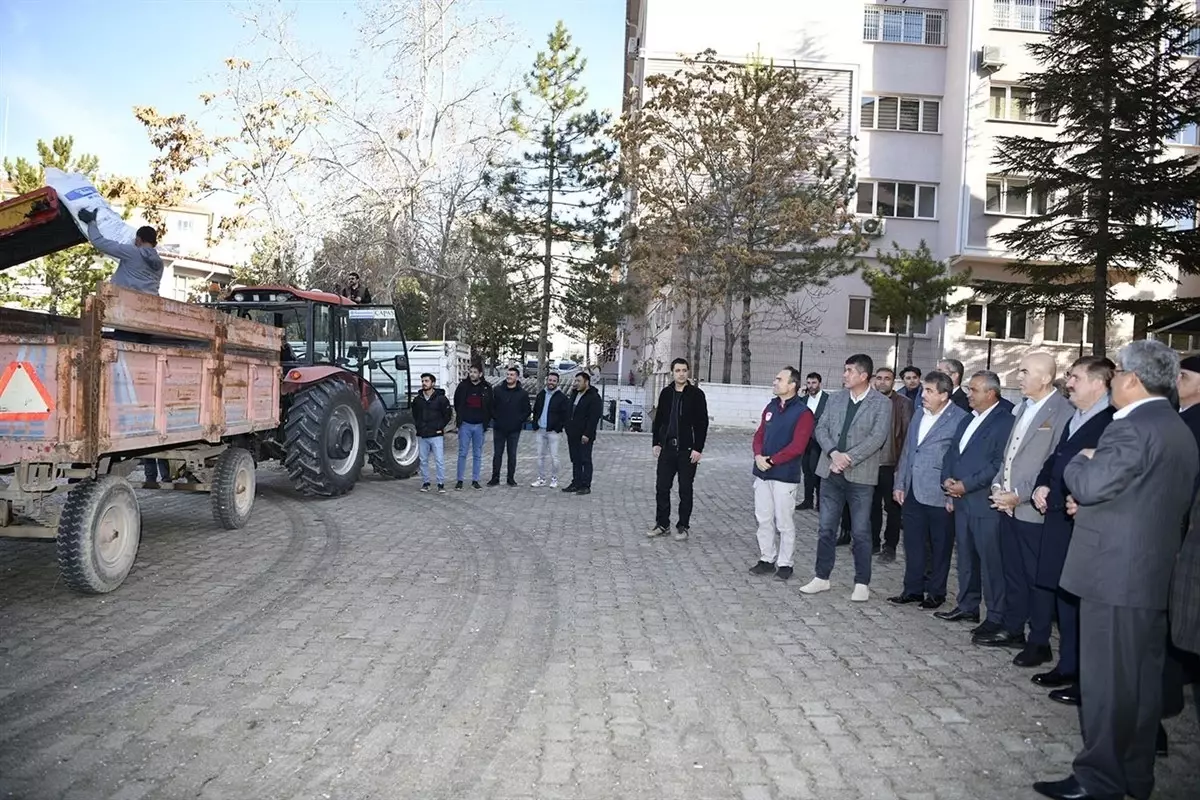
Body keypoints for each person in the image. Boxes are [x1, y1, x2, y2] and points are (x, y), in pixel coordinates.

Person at [1033, 340, 1198, 800]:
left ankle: (1098, 779)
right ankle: (1134, 774)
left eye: (1117, 371)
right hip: (1146, 574)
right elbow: (1141, 496)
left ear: (1131, 380)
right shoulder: (1173, 424)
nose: (1111, 380)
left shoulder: (1131, 427)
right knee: (1141, 686)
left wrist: (1080, 465)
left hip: (1113, 576)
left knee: (1106, 686)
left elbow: (1092, 483)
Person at [1025, 356, 1115, 707]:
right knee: (1064, 595)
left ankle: (1086, 677)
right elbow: (1056, 458)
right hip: (1059, 516)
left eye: (1075, 377)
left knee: (1083, 601)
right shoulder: (1077, 417)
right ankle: (1068, 665)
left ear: (1098, 383)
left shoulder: (1110, 421)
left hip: (1084, 521)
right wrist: (1044, 485)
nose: (1069, 382)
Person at [975, 352, 1072, 667]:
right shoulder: (1024, 408)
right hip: (1008, 506)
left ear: (1045, 377)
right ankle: (1014, 628)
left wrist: (1020, 494)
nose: (1018, 376)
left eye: (1024, 371)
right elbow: (1009, 457)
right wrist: (997, 487)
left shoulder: (1062, 412)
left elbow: (1054, 463)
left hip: (1033, 510)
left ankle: (1039, 640)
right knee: (1012, 571)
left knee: (1037, 579)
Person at [799, 354, 892, 603]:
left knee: (861, 532)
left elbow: (877, 438)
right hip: (831, 472)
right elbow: (821, 428)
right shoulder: (836, 398)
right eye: (844, 370)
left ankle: (862, 582)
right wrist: (833, 454)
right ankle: (821, 577)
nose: (844, 374)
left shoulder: (881, 404)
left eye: (849, 371)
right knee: (826, 528)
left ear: (864, 376)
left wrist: (847, 458)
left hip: (860, 477)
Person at [938, 370, 1015, 632]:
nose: (969, 394)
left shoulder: (1004, 421)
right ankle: (967, 606)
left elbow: (998, 463)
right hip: (961, 502)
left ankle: (995, 615)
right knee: (966, 558)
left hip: (985, 503)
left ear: (991, 393)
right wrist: (948, 479)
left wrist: (966, 484)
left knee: (990, 562)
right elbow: (952, 451)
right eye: (969, 389)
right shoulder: (968, 419)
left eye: (974, 390)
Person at [889, 371, 967, 609]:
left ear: (944, 395)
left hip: (940, 493)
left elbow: (961, 459)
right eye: (923, 390)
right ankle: (912, 589)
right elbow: (908, 450)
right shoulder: (919, 414)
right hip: (912, 489)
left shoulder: (960, 418)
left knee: (940, 546)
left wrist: (954, 494)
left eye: (929, 391)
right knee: (913, 543)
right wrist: (900, 483)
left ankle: (936, 592)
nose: (923, 395)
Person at [748, 367, 815, 579]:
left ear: (792, 385)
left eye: (780, 379)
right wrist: (759, 456)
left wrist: (772, 460)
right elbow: (759, 435)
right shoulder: (771, 406)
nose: (775, 382)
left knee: (784, 521)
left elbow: (798, 446)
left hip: (785, 475)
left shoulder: (803, 413)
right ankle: (766, 558)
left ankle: (785, 563)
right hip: (763, 472)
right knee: (763, 518)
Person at [649, 358, 710, 541]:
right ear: (672, 373)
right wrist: (656, 443)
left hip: (687, 450)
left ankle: (683, 526)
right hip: (667, 449)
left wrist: (698, 448)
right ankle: (662, 524)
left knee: (685, 489)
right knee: (662, 487)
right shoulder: (666, 393)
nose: (681, 373)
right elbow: (658, 420)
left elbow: (702, 423)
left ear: (688, 372)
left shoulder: (696, 395)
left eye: (684, 370)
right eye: (677, 370)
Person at [871, 366, 911, 561]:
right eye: (879, 378)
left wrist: (901, 469)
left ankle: (890, 546)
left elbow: (907, 438)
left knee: (893, 509)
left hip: (891, 464)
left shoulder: (903, 403)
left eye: (887, 378)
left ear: (893, 382)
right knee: (871, 506)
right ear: (873, 380)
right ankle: (872, 542)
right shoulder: (868, 401)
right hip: (869, 463)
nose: (882, 382)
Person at [77, 210, 164, 296]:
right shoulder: (160, 264)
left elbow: (99, 242)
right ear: (155, 244)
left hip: (124, 301)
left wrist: (91, 222)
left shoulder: (132, 252)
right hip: (149, 304)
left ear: (138, 240)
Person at [489, 366, 531, 487]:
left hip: (514, 429)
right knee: (497, 454)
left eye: (512, 375)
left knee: (512, 454)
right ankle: (495, 478)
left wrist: (518, 421)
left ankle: (510, 478)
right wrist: (496, 418)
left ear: (517, 377)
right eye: (508, 374)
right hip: (499, 428)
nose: (509, 376)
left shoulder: (522, 393)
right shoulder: (497, 390)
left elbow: (527, 411)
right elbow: (491, 406)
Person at [453, 365, 493, 490]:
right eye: (470, 372)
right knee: (462, 453)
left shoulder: (486, 388)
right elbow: (456, 402)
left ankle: (475, 480)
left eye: (475, 372)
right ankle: (460, 480)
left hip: (479, 425)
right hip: (465, 424)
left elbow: (490, 404)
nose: (472, 374)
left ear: (480, 374)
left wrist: (486, 421)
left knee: (477, 454)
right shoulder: (463, 386)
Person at [563, 372, 602, 495]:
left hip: (584, 435)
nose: (576, 383)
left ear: (586, 382)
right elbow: (569, 412)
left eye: (578, 381)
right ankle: (576, 482)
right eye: (575, 381)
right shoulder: (574, 394)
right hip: (572, 434)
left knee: (585, 459)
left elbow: (594, 418)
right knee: (575, 459)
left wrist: (587, 434)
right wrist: (567, 427)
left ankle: (585, 485)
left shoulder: (594, 397)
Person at [413, 372, 453, 493]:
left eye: (426, 381)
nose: (424, 383)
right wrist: (419, 426)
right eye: (422, 381)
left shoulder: (441, 399)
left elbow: (448, 415)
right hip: (422, 435)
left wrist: (440, 427)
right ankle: (426, 483)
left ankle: (441, 483)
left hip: (436, 434)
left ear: (433, 383)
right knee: (423, 460)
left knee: (439, 460)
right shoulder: (417, 400)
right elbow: (415, 414)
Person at [796, 372, 829, 511]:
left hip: (820, 441)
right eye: (809, 383)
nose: (811, 386)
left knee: (817, 472)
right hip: (806, 442)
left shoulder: (828, 399)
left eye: (814, 383)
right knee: (807, 471)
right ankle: (808, 500)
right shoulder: (803, 400)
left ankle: (820, 502)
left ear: (819, 383)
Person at [530, 372, 569, 488]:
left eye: (554, 381)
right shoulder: (541, 394)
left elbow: (565, 415)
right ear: (547, 381)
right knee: (540, 456)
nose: (551, 382)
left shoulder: (562, 397)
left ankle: (554, 479)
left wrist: (558, 428)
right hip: (541, 430)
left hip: (553, 432)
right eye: (550, 380)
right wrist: (535, 424)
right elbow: (536, 410)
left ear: (557, 382)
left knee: (554, 457)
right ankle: (541, 479)